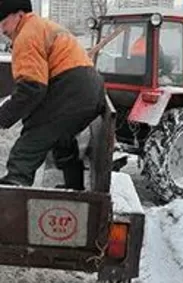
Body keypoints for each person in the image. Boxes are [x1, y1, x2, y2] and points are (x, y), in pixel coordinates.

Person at [0, 0, 105, 190]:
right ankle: (74, 188)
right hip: (90, 89)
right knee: (61, 136)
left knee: (34, 136)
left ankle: (14, 186)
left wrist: (3, 116)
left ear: (19, 15)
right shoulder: (42, 26)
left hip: (73, 88)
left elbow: (32, 88)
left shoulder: (26, 35)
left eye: (3, 20)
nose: (2, 29)